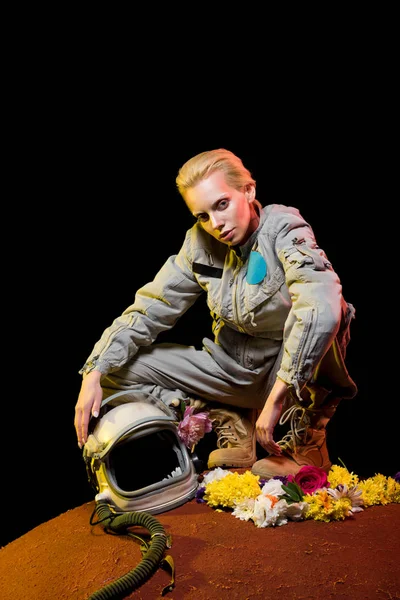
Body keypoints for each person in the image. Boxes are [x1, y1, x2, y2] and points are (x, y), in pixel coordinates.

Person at [74, 148, 357, 478]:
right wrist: (93, 371)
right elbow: (151, 310)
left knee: (324, 307)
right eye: (202, 216)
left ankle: (308, 442)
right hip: (233, 368)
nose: (215, 224)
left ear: (248, 191)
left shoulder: (284, 230)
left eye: (221, 204)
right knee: (113, 372)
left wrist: (277, 398)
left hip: (291, 381)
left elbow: (320, 310)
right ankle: (227, 415)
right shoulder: (198, 244)